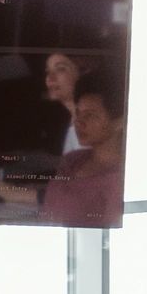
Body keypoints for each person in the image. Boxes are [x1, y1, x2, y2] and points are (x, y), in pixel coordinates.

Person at [39, 68, 127, 226]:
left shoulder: (119, 180)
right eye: (78, 113)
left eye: (90, 115)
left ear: (119, 122)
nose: (78, 122)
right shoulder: (72, 160)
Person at [43, 52, 90, 155]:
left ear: (83, 73)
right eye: (48, 71)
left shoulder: (90, 125)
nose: (50, 78)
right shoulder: (72, 122)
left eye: (60, 69)